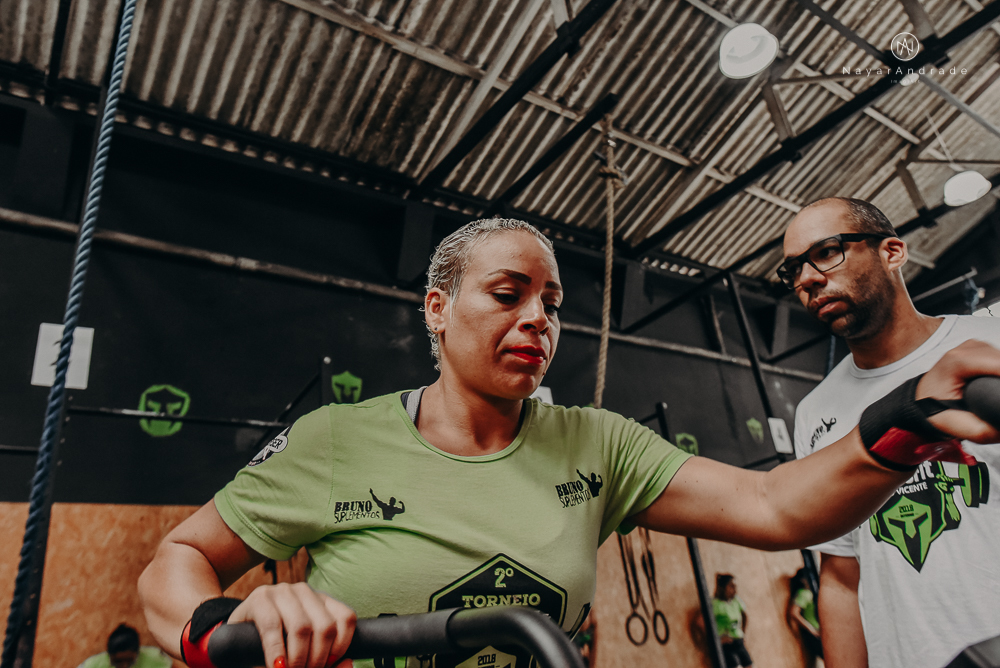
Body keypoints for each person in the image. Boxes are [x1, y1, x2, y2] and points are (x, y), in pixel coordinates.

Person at [138, 217, 1000, 668]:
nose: (537, 320)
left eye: (551, 305)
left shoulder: (596, 446)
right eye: (507, 294)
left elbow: (776, 506)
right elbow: (177, 560)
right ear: (438, 309)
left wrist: (902, 420)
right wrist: (231, 622)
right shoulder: (336, 441)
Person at [784, 198, 1000, 668]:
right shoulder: (814, 414)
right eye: (793, 269)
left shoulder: (991, 345)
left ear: (893, 252)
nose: (807, 279)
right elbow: (841, 576)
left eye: (826, 252)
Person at [76, 624, 172, 668]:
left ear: (138, 652)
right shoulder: (94, 665)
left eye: (129, 660)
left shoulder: (155, 658)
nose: (124, 666)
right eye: (117, 661)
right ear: (109, 655)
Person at [713, 574, 753, 668]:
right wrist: (717, 639)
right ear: (723, 588)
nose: (734, 590)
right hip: (726, 645)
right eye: (731, 586)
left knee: (749, 665)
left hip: (738, 641)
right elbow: (700, 623)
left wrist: (743, 632)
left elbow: (744, 615)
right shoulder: (715, 604)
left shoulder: (736, 601)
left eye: (735, 587)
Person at [788, 568, 821, 659]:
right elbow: (794, 613)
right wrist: (812, 629)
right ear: (802, 580)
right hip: (815, 634)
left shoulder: (813, 593)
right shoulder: (805, 593)